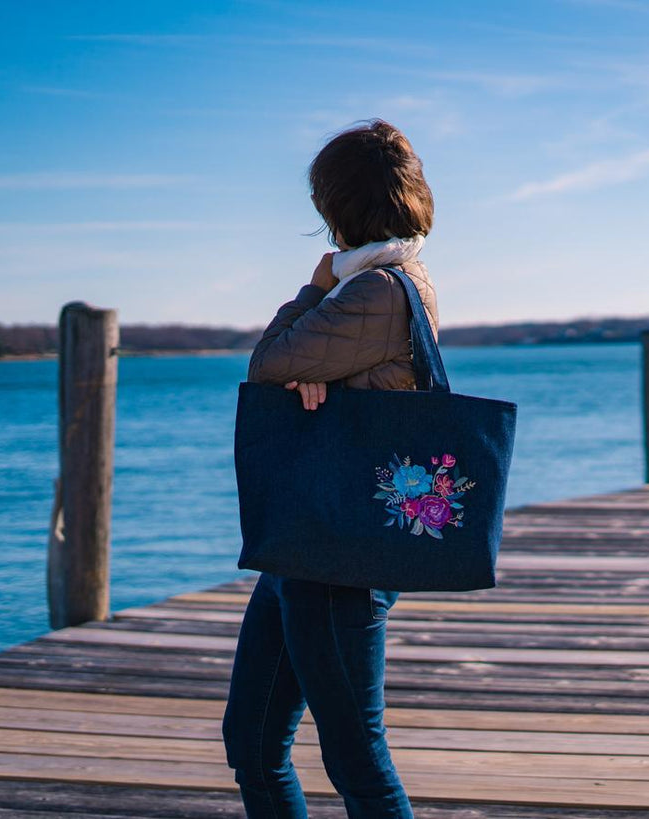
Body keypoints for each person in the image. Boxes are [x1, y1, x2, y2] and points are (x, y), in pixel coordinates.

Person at [222, 119, 439, 818]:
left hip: (342, 557)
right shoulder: (379, 282)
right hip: (307, 539)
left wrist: (314, 291)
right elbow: (295, 369)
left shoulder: (375, 290)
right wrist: (309, 372)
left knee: (356, 760)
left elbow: (267, 363)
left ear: (338, 205)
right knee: (253, 740)